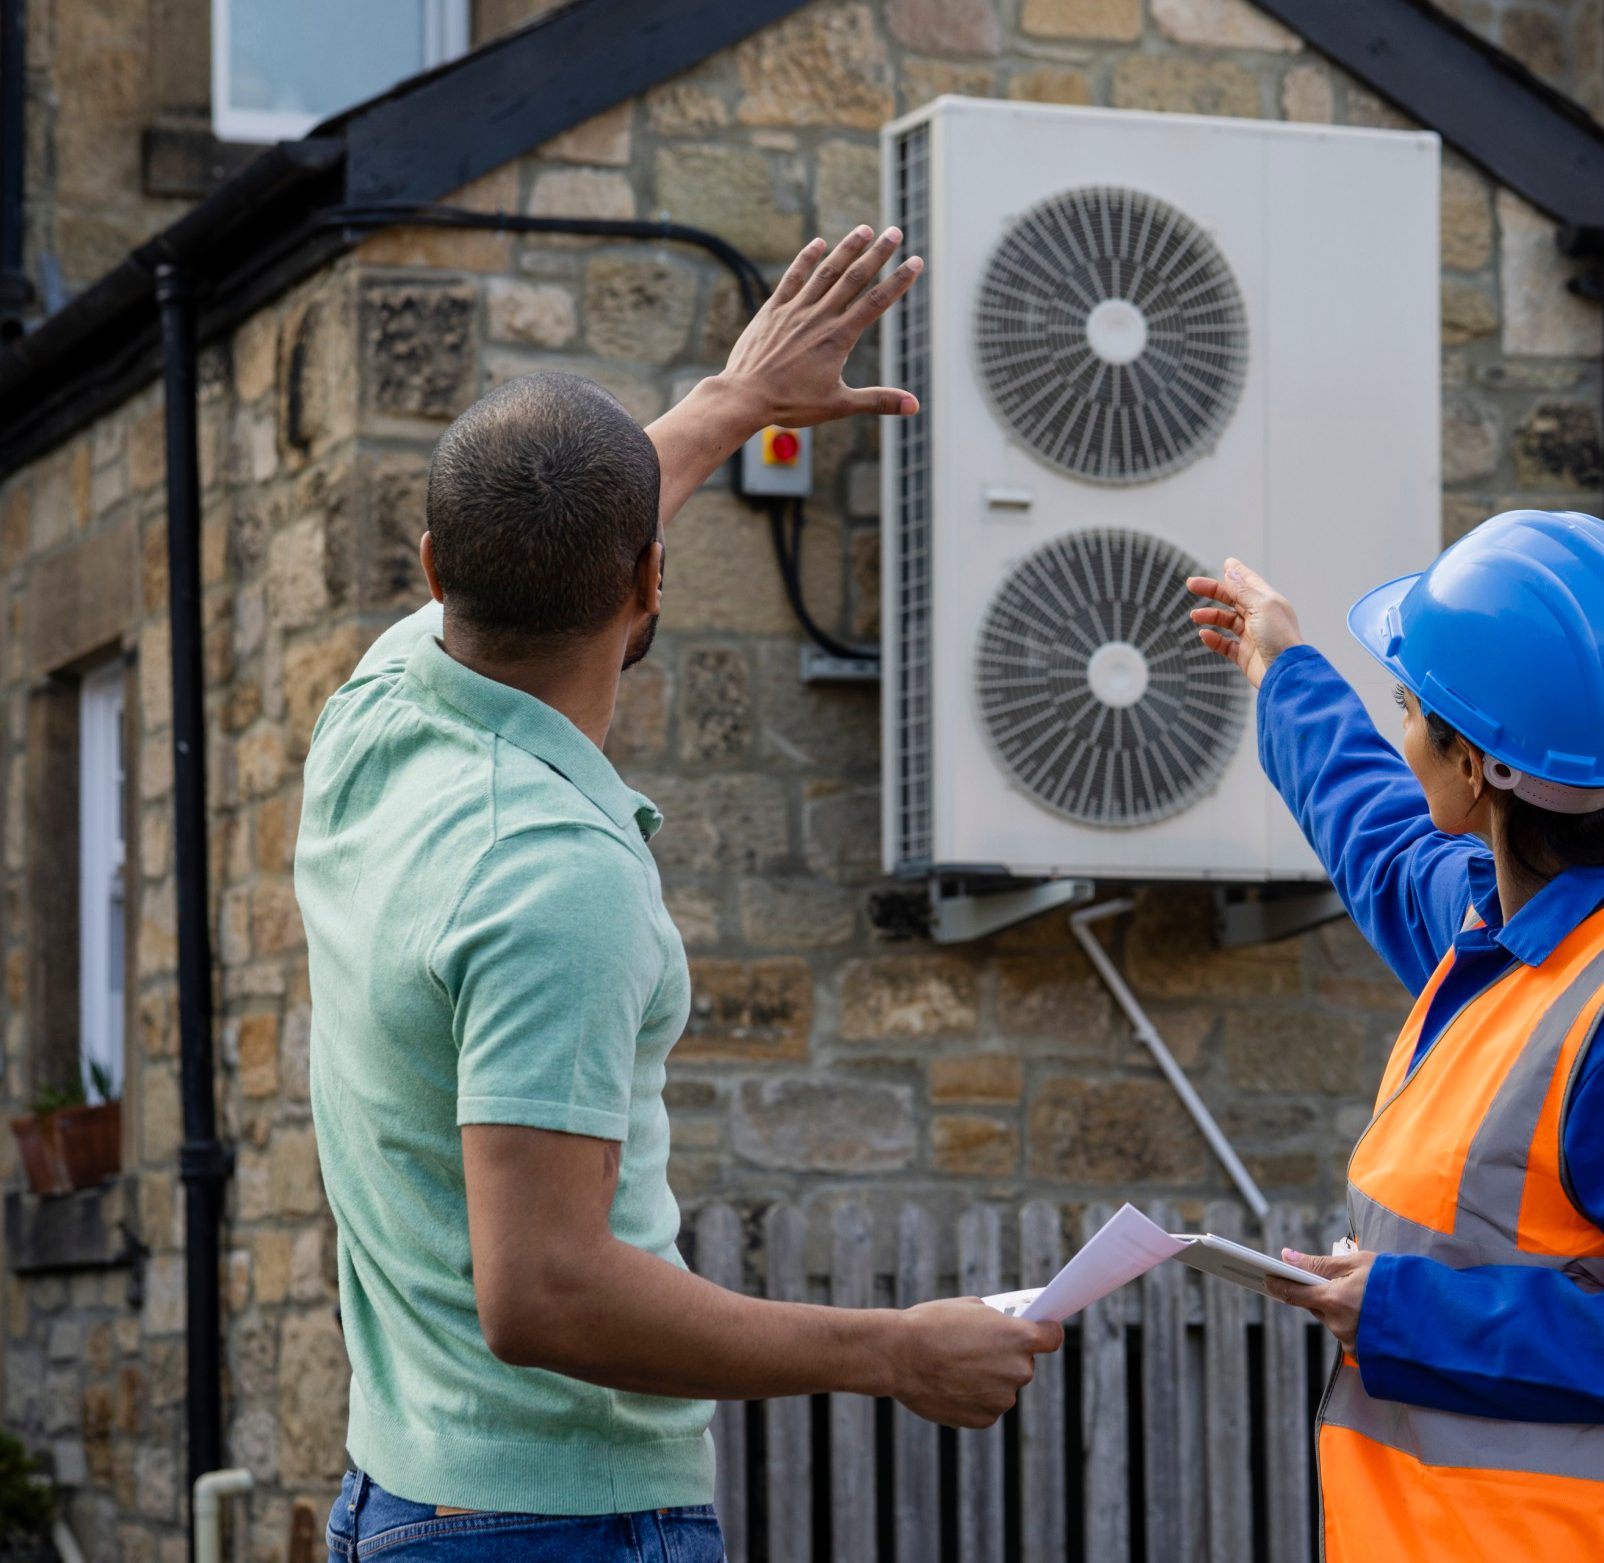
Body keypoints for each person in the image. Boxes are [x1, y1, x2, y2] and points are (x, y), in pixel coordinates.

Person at [298, 228, 1060, 1562]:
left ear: (431, 569)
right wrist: (889, 1349)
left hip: (410, 1490)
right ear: (654, 580)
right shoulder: (554, 874)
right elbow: (543, 1288)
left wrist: (731, 401)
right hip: (556, 1524)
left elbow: (557, 527)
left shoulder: (374, 711)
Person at [1185, 511, 1604, 1561]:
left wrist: (1397, 1311)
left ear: (1474, 766)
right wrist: (1283, 667)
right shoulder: (1509, 932)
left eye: (1408, 710)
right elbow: (1378, 835)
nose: (1400, 735)